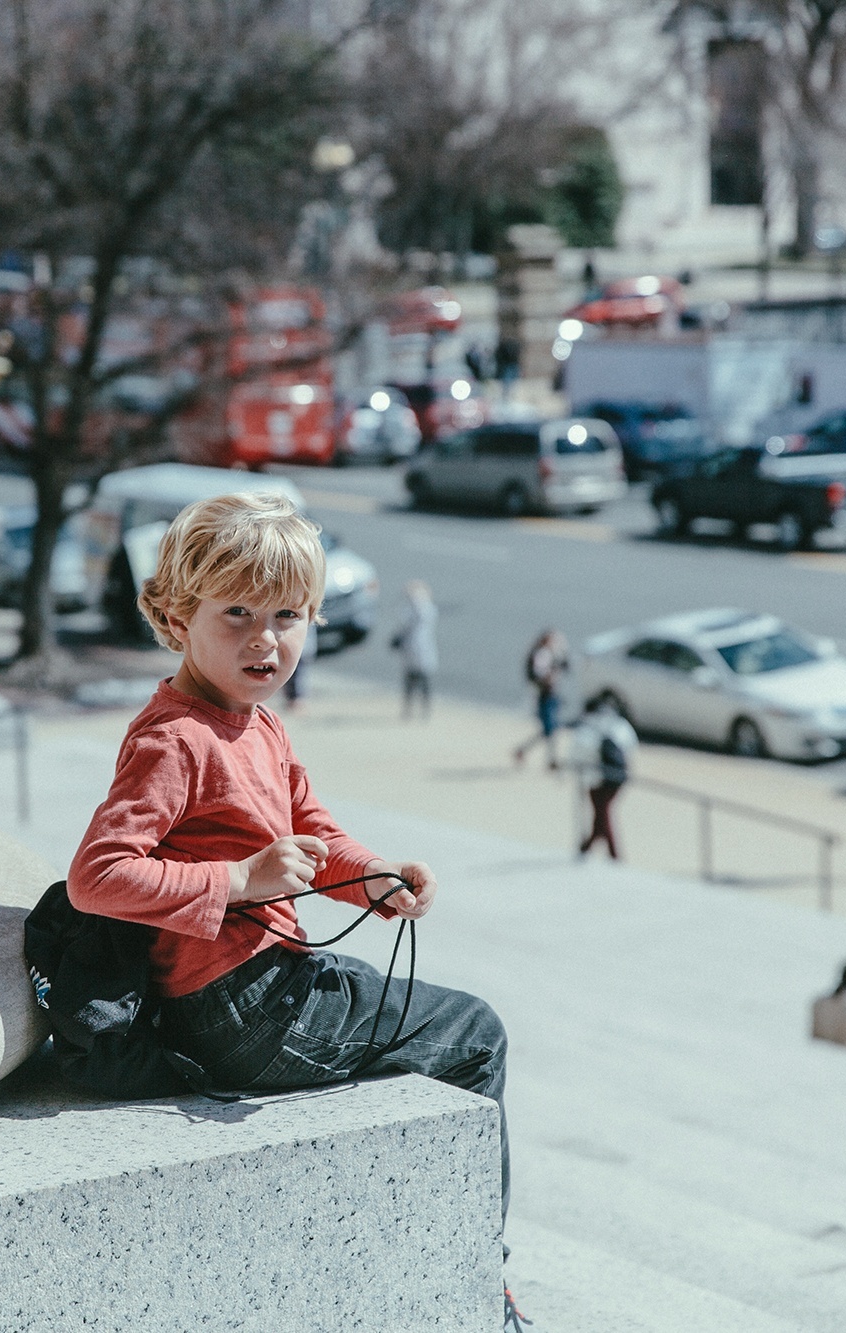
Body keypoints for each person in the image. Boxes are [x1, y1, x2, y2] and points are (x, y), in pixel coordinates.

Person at [65, 492, 516, 1278]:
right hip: (240, 1006)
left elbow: (317, 834)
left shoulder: (258, 720)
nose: (265, 639)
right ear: (176, 618)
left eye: (287, 615)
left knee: (397, 1000)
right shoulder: (177, 737)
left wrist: (377, 879)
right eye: (236, 611)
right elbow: (97, 876)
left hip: (267, 986)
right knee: (475, 1033)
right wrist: (239, 880)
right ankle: (482, 1266)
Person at [567, 696, 636, 859]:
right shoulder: (618, 724)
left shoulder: (586, 729)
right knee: (601, 813)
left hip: (598, 779)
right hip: (618, 777)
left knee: (602, 814)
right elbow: (630, 747)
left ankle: (612, 854)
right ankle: (589, 846)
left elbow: (578, 754)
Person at [512, 629, 570, 769]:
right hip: (544, 695)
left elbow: (566, 667)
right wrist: (550, 676)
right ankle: (550, 760)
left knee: (549, 729)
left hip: (551, 695)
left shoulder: (550, 653)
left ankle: (525, 751)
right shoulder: (541, 654)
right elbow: (539, 675)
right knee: (549, 728)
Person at [392, 579, 438, 721]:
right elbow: (404, 625)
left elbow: (421, 615)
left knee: (424, 681)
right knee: (409, 682)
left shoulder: (426, 609)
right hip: (410, 649)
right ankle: (408, 710)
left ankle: (425, 710)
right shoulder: (408, 609)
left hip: (422, 649)